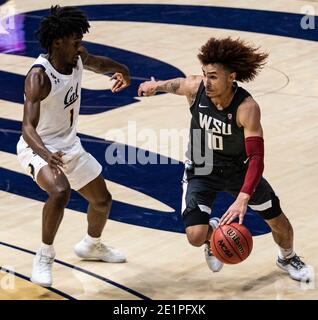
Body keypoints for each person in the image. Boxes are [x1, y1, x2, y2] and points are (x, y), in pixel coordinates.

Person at [138, 37, 312, 282]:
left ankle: (287, 257)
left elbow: (257, 158)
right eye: (205, 75)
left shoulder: (246, 107)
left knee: (278, 221)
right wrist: (155, 87)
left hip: (238, 170)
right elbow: (176, 84)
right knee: (195, 236)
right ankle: (213, 233)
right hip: (201, 169)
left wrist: (243, 198)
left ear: (231, 77)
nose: (207, 82)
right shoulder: (196, 88)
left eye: (213, 76)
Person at [17, 5, 130, 287]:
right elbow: (27, 128)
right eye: (75, 40)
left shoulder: (76, 57)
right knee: (59, 192)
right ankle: (44, 255)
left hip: (69, 146)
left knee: (102, 201)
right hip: (37, 147)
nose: (81, 44)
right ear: (57, 42)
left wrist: (122, 70)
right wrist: (46, 155)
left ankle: (92, 245)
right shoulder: (39, 77)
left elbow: (98, 64)